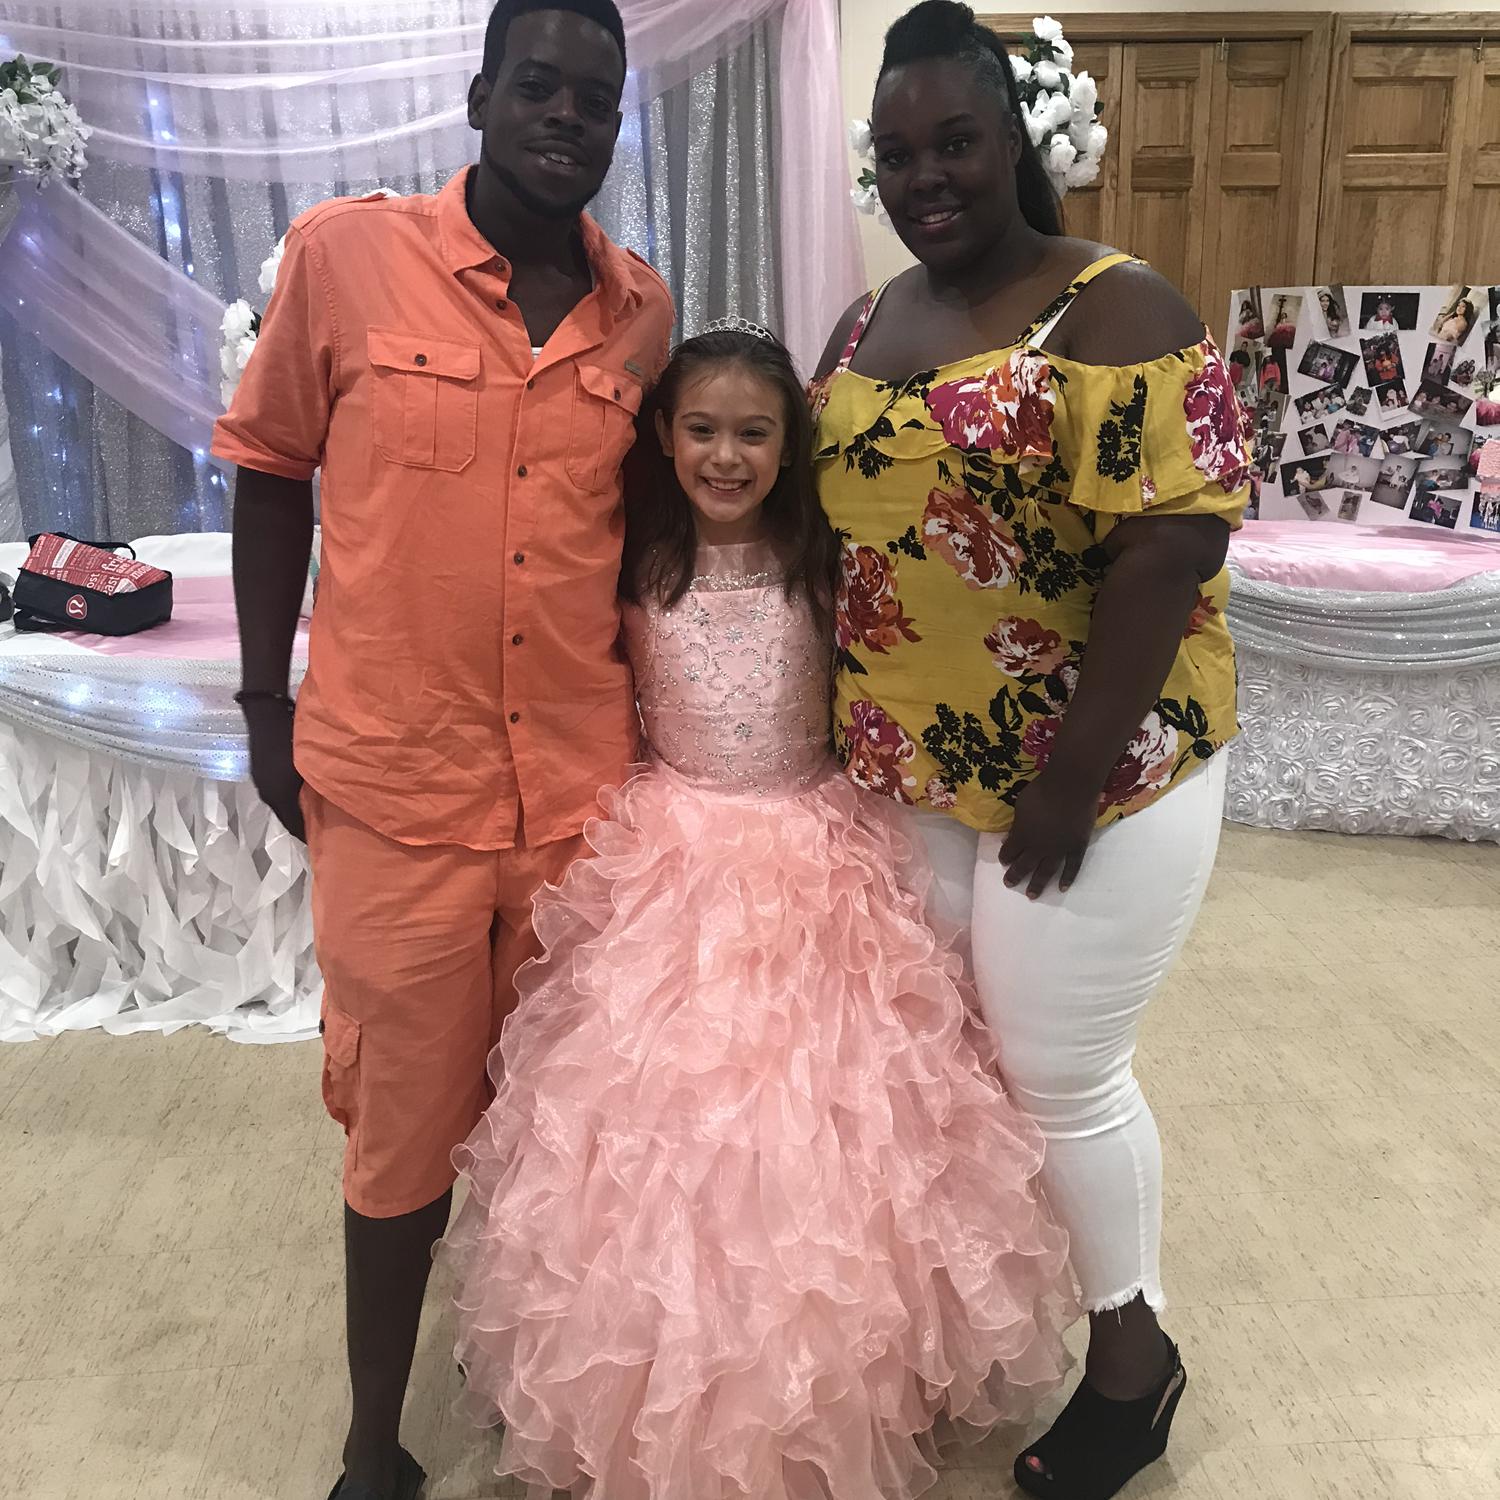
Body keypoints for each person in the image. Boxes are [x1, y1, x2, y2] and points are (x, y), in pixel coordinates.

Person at [440, 325, 1076, 1500]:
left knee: (837, 1109)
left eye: (752, 433)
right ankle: (650, 1364)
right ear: (663, 436)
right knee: (662, 1124)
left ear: (790, 446)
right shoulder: (635, 562)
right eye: (701, 430)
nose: (725, 456)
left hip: (816, 846)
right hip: (672, 854)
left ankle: (847, 1366)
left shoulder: (822, 559)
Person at [211, 3, 675, 1496]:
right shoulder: (345, 257)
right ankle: (372, 1445)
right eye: (538, 86)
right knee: (404, 1130)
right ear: (479, 97)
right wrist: (265, 708)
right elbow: (270, 475)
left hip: (581, 805)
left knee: (559, 1121)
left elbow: (642, 546)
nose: (567, 116)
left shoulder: (641, 312)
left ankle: (530, 1372)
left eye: (596, 98)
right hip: (398, 793)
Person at [811, 5, 1252, 1497]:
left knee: (1063, 1074)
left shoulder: (1120, 309)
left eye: (955, 142)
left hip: (1098, 778)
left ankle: (1135, 1359)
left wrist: (1065, 782)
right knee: (958, 1071)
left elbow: (1172, 551)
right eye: (897, 155)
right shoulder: (863, 324)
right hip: (913, 772)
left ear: (1014, 140)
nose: (926, 177)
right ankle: (974, 1330)